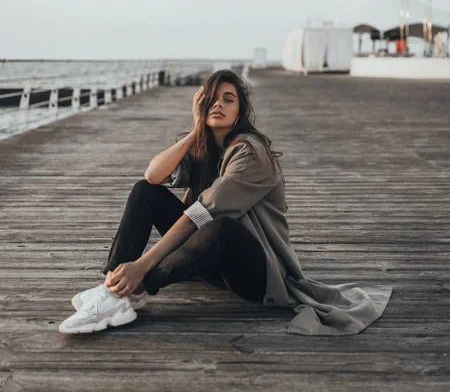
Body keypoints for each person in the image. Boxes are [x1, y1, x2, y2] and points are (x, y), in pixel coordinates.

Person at [59, 69, 392, 336]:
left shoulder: (250, 153)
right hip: (207, 260)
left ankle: (133, 289)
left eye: (227, 99)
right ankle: (111, 285)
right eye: (211, 99)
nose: (218, 104)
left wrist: (142, 265)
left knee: (218, 226)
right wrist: (194, 128)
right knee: (143, 192)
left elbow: (200, 214)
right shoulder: (203, 147)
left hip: (254, 274)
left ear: (240, 112)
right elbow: (152, 176)